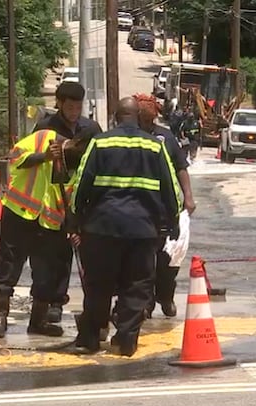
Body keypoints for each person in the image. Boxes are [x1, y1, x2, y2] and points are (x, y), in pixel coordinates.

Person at [68, 97, 181, 356]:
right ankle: (126, 339)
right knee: (137, 285)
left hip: (101, 228)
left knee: (98, 284)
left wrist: (74, 219)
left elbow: (81, 184)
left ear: (115, 117)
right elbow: (171, 188)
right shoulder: (154, 146)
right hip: (142, 230)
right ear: (139, 118)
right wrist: (173, 221)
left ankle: (92, 337)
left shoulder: (100, 142)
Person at [0, 128, 94, 339]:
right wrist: (43, 157)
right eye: (82, 150)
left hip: (49, 224)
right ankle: (0, 318)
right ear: (76, 141)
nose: (83, 156)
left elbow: (73, 199)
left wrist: (74, 226)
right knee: (8, 266)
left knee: (47, 273)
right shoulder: (43, 138)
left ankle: (38, 321)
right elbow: (15, 158)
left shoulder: (79, 166)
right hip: (19, 213)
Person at [32, 81, 103, 324]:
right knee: (57, 255)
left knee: (90, 256)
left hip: (83, 201)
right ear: (60, 104)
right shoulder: (45, 128)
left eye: (78, 107)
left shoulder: (91, 129)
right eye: (70, 106)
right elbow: (30, 157)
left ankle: (93, 306)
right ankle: (55, 301)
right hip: (55, 201)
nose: (74, 112)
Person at [133, 93, 196, 318]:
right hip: (139, 210)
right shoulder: (131, 136)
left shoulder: (166, 137)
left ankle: (166, 296)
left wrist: (188, 197)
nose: (148, 123)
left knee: (168, 259)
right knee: (142, 260)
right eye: (143, 119)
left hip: (165, 208)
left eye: (151, 119)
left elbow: (181, 167)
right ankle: (146, 302)